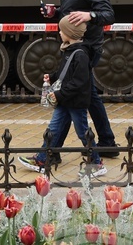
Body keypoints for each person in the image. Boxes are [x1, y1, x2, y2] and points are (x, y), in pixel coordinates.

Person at [40, 0, 118, 158]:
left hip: (86, 48)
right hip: (73, 45)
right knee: (88, 96)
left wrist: (90, 16)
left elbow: (108, 15)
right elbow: (73, 11)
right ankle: (107, 143)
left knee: (71, 95)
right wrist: (55, 12)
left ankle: (50, 151)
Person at [18, 16, 107, 177]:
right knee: (53, 129)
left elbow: (79, 82)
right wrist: (52, 77)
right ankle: (43, 158)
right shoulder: (69, 49)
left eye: (62, 30)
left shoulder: (80, 54)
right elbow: (65, 74)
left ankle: (97, 163)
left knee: (83, 132)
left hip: (75, 101)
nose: (59, 32)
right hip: (65, 99)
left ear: (70, 33)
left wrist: (59, 94)